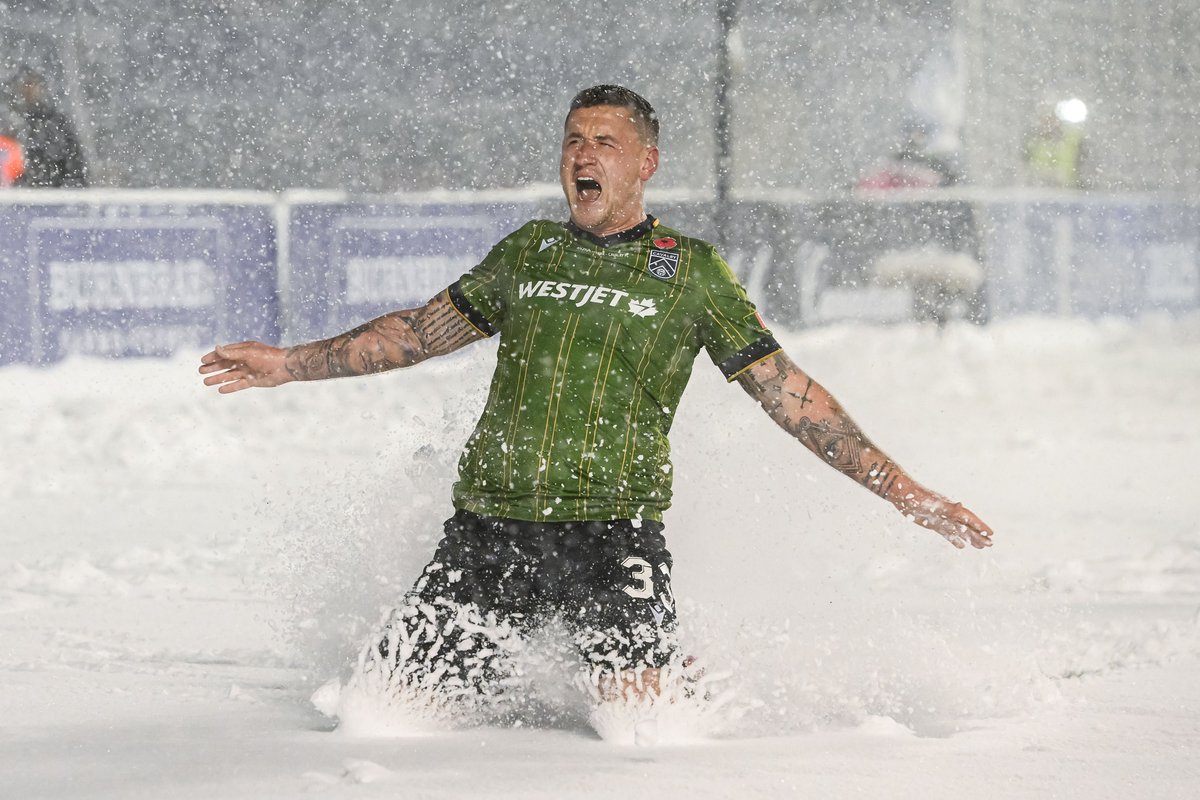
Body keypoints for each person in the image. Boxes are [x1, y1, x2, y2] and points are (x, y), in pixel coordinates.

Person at [199, 85, 993, 731]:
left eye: (603, 142)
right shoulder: (529, 252)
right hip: (489, 534)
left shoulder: (692, 272)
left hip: (613, 541)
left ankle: (677, 668)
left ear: (645, 163)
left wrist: (906, 492)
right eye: (573, 141)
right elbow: (416, 333)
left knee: (645, 735)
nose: (582, 155)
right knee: (378, 718)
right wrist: (289, 365)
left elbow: (789, 394)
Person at [5, 68, 88, 188]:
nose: (29, 90)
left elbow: (74, 165)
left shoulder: (56, 124)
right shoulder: (8, 124)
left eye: (32, 84)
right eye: (25, 84)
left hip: (49, 195)